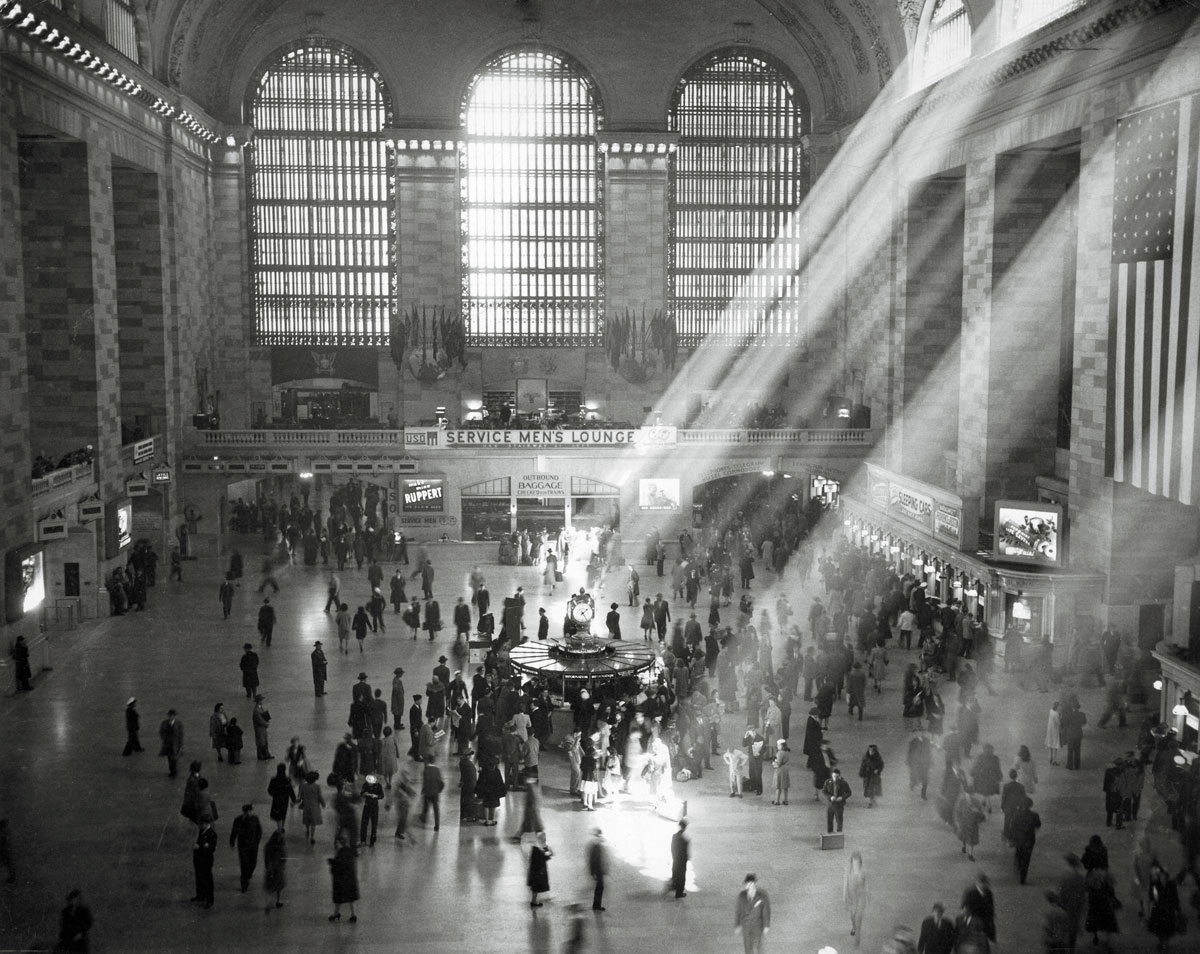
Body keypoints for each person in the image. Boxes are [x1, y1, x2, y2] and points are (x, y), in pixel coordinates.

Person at [1147, 860, 1182, 952]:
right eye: (1160, 876)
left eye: (1163, 876)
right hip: (1158, 909)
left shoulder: (1171, 884)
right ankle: (1162, 942)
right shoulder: (1155, 884)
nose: (1162, 877)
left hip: (1168, 909)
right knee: (1159, 929)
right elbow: (1151, 896)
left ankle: (1165, 944)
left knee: (1167, 928)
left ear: (1166, 876)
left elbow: (1175, 897)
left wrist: (1178, 909)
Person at [229, 803, 263, 893]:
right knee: (244, 865)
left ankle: (248, 874)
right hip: (243, 846)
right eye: (247, 811)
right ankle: (244, 885)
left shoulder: (255, 819)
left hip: (253, 846)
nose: (249, 813)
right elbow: (234, 832)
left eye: (250, 811)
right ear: (244, 812)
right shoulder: (238, 820)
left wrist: (257, 842)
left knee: (253, 863)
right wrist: (232, 841)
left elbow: (259, 831)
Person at [734, 873, 771, 954]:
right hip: (746, 924)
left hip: (757, 924)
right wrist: (737, 924)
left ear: (753, 884)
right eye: (746, 884)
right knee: (747, 945)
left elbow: (766, 911)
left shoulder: (762, 895)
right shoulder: (742, 895)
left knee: (757, 945)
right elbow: (738, 911)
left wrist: (766, 925)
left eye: (748, 884)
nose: (746, 886)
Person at [1010, 796, 1042, 884]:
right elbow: (1038, 825)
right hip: (1029, 839)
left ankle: (1018, 866)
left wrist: (1013, 837)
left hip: (1018, 839)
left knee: (1019, 853)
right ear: (1030, 805)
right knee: (1026, 858)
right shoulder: (1034, 815)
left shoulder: (1016, 814)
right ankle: (1023, 878)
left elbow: (1012, 826)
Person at [327, 836, 359, 923]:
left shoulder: (341, 852)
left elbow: (339, 865)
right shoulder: (348, 851)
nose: (336, 845)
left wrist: (332, 862)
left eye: (337, 843)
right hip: (350, 879)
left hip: (341, 880)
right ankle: (353, 914)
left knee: (338, 898)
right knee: (350, 899)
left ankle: (336, 914)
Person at [192, 817, 218, 908]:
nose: (200, 826)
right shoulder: (202, 831)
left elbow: (211, 849)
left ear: (206, 824)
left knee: (207, 881)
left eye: (201, 824)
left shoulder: (212, 834)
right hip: (199, 861)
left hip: (206, 862)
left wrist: (199, 847)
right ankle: (200, 896)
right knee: (199, 879)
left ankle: (209, 900)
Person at [844, 851, 867, 944]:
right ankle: (854, 927)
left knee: (859, 916)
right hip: (851, 895)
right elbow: (845, 882)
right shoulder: (848, 870)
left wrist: (867, 894)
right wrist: (844, 895)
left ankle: (858, 937)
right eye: (854, 862)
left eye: (857, 862)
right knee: (852, 914)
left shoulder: (863, 871)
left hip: (860, 896)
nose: (855, 864)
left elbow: (866, 883)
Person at [262, 828, 287, 912]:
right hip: (276, 869)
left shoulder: (268, 845)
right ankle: (276, 901)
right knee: (277, 886)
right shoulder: (281, 846)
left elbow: (266, 858)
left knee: (271, 887)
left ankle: (269, 904)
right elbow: (284, 857)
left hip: (273, 868)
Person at [267, 762, 296, 831]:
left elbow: (269, 789)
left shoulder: (273, 779)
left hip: (276, 799)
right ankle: (282, 826)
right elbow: (290, 790)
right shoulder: (287, 779)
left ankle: (279, 827)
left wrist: (273, 794)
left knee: (277, 814)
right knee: (283, 813)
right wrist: (293, 799)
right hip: (285, 799)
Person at [527, 831, 552, 907]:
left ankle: (534, 901)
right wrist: (547, 854)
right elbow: (542, 858)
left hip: (535, 871)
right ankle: (533, 902)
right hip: (538, 871)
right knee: (536, 887)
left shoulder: (536, 847)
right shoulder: (538, 849)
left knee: (535, 887)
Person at [823, 766, 852, 833]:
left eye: (836, 777)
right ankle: (829, 834)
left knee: (839, 821)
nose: (835, 778)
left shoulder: (843, 783)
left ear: (839, 776)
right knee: (829, 821)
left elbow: (849, 792)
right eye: (833, 776)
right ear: (832, 775)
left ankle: (839, 835)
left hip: (839, 805)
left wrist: (842, 798)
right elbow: (824, 791)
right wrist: (830, 797)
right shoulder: (828, 782)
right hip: (830, 805)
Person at [300, 770, 325, 845]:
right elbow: (320, 796)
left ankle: (307, 830)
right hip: (315, 807)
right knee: (313, 823)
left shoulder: (303, 786)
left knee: (307, 821)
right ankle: (312, 837)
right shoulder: (317, 787)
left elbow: (301, 796)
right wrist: (323, 803)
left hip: (306, 806)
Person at [359, 773, 384, 846]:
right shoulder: (365, 785)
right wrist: (364, 794)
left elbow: (382, 795)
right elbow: (361, 793)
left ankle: (372, 841)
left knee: (374, 824)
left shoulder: (378, 786)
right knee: (364, 823)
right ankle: (363, 840)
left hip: (374, 806)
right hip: (367, 805)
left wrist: (376, 796)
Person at [587, 828, 608, 911]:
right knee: (599, 888)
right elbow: (592, 861)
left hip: (599, 870)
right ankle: (596, 906)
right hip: (597, 871)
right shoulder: (595, 846)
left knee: (599, 888)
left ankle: (596, 905)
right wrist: (593, 873)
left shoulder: (596, 846)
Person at [420, 756, 443, 831]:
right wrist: (439, 790)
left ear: (428, 761)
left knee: (426, 807)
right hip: (435, 793)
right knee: (436, 809)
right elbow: (441, 782)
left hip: (427, 792)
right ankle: (437, 825)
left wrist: (423, 790)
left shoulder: (425, 770)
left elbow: (424, 782)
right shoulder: (437, 770)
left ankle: (424, 819)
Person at [159, 709, 184, 778]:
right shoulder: (164, 723)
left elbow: (181, 735)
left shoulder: (179, 724)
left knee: (174, 758)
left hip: (175, 744)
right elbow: (161, 732)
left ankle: (174, 771)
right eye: (170, 715)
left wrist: (181, 744)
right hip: (167, 744)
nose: (171, 717)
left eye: (172, 716)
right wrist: (164, 739)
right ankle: (172, 771)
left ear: (174, 716)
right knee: (169, 758)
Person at [859, 744, 884, 808]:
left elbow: (881, 765)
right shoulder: (865, 757)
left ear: (875, 751)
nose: (871, 752)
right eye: (870, 750)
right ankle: (872, 801)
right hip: (867, 776)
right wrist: (861, 772)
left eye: (872, 751)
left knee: (873, 789)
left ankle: (871, 802)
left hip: (874, 776)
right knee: (868, 789)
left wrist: (878, 770)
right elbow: (863, 765)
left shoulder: (878, 757)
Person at [670, 818, 690, 898]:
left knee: (675, 873)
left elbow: (672, 848)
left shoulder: (674, 836)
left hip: (676, 859)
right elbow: (685, 852)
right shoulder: (684, 840)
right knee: (681, 876)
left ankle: (674, 885)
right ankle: (679, 893)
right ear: (685, 827)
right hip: (681, 861)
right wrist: (686, 859)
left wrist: (674, 857)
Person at [252, 695, 273, 760]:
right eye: (261, 700)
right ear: (258, 701)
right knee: (261, 742)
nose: (262, 701)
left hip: (262, 728)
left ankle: (266, 754)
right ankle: (261, 756)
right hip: (260, 729)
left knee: (264, 741)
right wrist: (266, 724)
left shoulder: (259, 708)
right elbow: (260, 720)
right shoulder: (256, 710)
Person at [772, 740, 791, 805]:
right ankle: (786, 800)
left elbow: (778, 763)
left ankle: (776, 800)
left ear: (781, 746)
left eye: (778, 745)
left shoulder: (779, 753)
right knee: (785, 786)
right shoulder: (787, 752)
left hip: (779, 771)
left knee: (778, 786)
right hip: (785, 770)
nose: (777, 747)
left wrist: (773, 763)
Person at [1046, 701, 1062, 765]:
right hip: (1055, 731)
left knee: (1050, 744)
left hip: (1050, 730)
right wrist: (1061, 717)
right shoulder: (1056, 714)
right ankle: (1054, 761)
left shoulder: (1051, 711)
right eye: (1059, 706)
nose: (1060, 707)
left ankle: (1050, 757)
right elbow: (1059, 723)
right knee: (1055, 745)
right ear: (1057, 707)